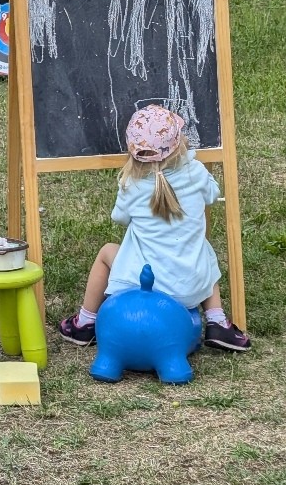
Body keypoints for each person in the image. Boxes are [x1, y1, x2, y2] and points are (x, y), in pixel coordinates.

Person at [58, 104, 251, 352]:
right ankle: (217, 321)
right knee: (202, 250)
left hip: (141, 285)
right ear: (179, 141)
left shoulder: (132, 184)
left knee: (107, 251)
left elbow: (120, 217)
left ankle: (84, 323)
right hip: (188, 288)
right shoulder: (196, 173)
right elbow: (212, 195)